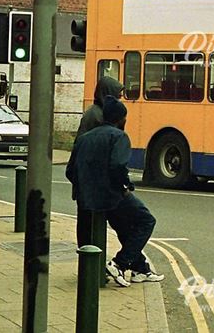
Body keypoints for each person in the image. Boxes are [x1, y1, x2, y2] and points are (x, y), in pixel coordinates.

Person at [66, 96, 163, 287]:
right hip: (111, 197)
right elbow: (118, 166)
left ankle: (140, 269)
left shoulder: (85, 138)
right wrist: (124, 186)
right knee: (146, 220)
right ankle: (119, 263)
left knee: (124, 228)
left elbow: (70, 170)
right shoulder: (119, 137)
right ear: (120, 119)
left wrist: (86, 186)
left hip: (86, 199)